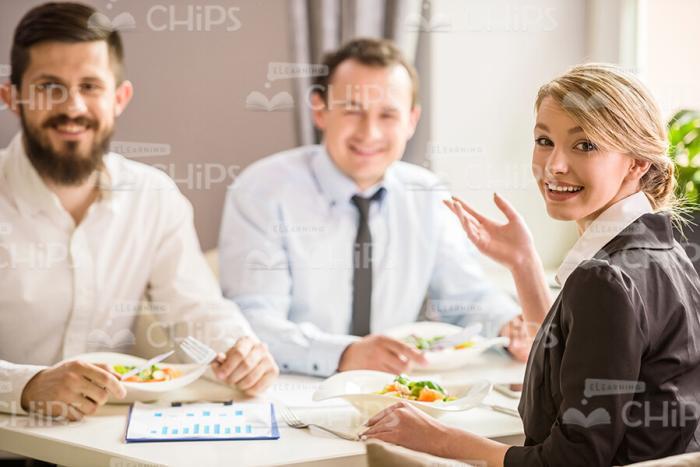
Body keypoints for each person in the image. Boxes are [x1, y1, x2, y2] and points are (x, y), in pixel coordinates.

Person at [361, 63, 700, 466]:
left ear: (637, 163)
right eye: (544, 140)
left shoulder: (605, 278)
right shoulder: (668, 255)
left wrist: (437, 438)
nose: (554, 165)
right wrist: (523, 264)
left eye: (585, 145)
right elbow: (575, 359)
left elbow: (571, 461)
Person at [0, 2, 278, 421]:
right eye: (50, 87)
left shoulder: (154, 196)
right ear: (12, 97)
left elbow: (195, 309)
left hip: (108, 445)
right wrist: (27, 386)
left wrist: (240, 350)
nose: (72, 106)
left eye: (90, 86)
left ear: (120, 98)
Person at [218, 38, 527, 378]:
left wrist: (506, 324)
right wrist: (344, 354)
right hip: (292, 388)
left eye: (388, 114)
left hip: (398, 391)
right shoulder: (262, 189)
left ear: (411, 120)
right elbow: (253, 321)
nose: (370, 132)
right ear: (320, 110)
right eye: (352, 110)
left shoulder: (426, 194)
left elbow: (465, 296)